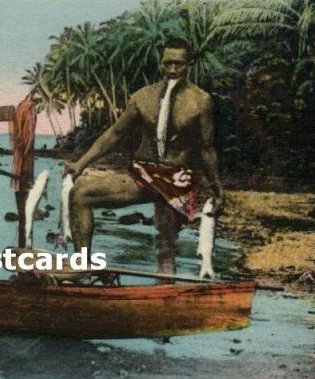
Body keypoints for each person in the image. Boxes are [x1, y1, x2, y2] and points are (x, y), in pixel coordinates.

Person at [63, 36, 223, 278]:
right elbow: (114, 134)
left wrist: (216, 186)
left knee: (165, 246)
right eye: (167, 63)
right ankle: (81, 267)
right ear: (160, 64)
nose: (172, 70)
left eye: (178, 64)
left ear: (189, 65)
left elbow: (206, 148)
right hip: (142, 174)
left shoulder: (201, 101)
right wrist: (80, 164)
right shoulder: (142, 98)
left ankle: (164, 299)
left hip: (177, 180)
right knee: (81, 194)